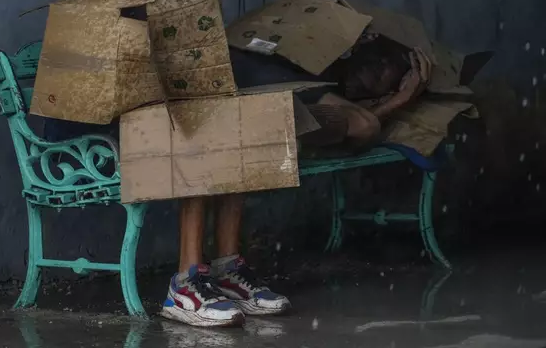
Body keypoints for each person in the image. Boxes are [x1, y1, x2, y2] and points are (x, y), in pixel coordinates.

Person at [159, 38, 433, 327]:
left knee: (240, 131)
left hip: (235, 93)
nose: (369, 68)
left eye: (379, 73)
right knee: (222, 125)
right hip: (202, 75)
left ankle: (222, 273)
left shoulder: (318, 90)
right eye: (374, 56)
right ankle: (186, 282)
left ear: (378, 95)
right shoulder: (306, 50)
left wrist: (400, 101)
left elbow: (363, 124)